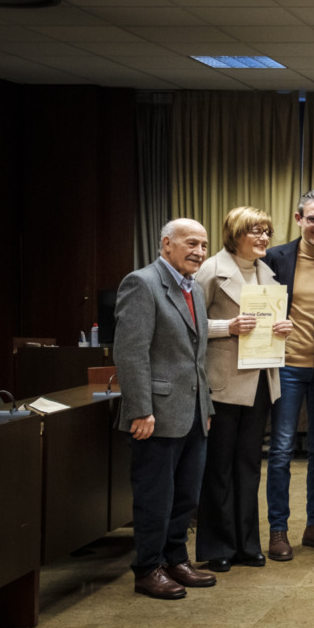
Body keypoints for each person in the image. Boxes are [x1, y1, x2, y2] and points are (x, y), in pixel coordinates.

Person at [114, 218, 218, 599]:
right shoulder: (141, 284)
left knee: (186, 495)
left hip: (192, 411)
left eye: (204, 245)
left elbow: (197, 357)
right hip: (154, 414)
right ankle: (148, 568)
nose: (199, 252)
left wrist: (204, 405)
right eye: (191, 243)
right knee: (155, 496)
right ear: (166, 244)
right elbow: (131, 353)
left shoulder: (195, 290)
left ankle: (176, 560)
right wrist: (140, 409)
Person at [194, 207, 291, 573]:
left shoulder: (267, 272)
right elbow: (189, 325)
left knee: (249, 466)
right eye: (255, 231)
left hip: (260, 382)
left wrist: (282, 328)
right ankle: (218, 546)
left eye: (266, 231)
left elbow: (267, 323)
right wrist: (226, 327)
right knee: (218, 467)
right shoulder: (211, 270)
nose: (264, 237)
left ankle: (246, 544)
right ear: (235, 234)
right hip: (222, 383)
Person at [261, 190, 314, 560]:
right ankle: (278, 530)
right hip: (287, 366)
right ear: (298, 219)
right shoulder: (274, 258)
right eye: (312, 218)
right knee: (280, 452)